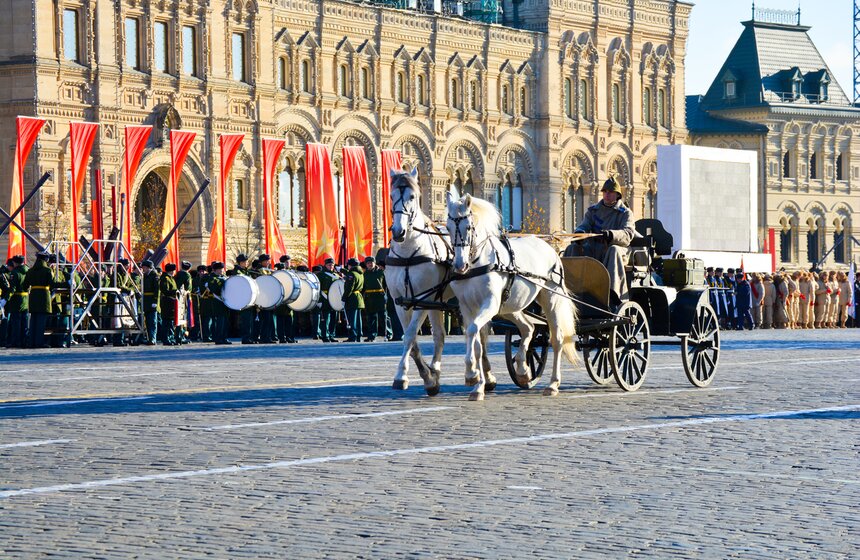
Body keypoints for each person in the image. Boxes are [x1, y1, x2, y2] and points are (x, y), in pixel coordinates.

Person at [564, 177, 634, 304]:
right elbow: (584, 225)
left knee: (614, 250)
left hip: (615, 251)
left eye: (610, 192)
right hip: (593, 249)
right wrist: (579, 234)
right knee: (572, 248)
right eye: (605, 191)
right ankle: (566, 287)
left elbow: (628, 234)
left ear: (617, 195)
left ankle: (612, 293)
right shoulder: (593, 211)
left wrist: (611, 235)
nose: (607, 194)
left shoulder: (625, 213)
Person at [22, 251, 55, 348]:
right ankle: (39, 342)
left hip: (33, 296)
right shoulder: (48, 270)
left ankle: (32, 342)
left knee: (33, 320)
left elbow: (25, 286)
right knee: (41, 321)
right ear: (46, 260)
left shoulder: (30, 271)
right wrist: (67, 283)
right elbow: (52, 285)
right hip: (43, 296)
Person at [205, 261, 231, 344]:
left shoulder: (224, 277)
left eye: (222, 269)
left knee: (225, 321)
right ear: (215, 270)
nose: (221, 271)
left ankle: (224, 337)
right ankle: (218, 338)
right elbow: (215, 289)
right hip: (217, 302)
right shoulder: (212, 278)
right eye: (219, 269)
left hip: (225, 303)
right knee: (219, 322)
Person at [6, 255, 29, 348]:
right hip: (26, 299)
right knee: (24, 322)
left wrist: (6, 299)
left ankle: (16, 342)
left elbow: (12, 289)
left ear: (15, 263)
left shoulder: (14, 273)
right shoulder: (27, 270)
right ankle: (24, 341)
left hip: (16, 300)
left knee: (16, 322)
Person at [362, 256, 386, 342]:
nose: (370, 264)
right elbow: (363, 287)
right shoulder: (364, 274)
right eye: (368, 263)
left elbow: (386, 285)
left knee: (383, 316)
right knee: (371, 318)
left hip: (380, 296)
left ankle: (388, 334)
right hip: (369, 297)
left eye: (371, 262)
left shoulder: (381, 272)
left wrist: (386, 295)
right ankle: (371, 335)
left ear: (374, 263)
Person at [316, 258, 340, 342]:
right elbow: (317, 289)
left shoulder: (336, 275)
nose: (331, 266)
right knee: (325, 319)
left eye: (332, 265)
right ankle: (325, 335)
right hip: (325, 299)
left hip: (334, 299)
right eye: (329, 265)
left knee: (333, 318)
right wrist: (318, 300)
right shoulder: (321, 275)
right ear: (325, 265)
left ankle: (331, 335)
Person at [342, 257, 365, 342]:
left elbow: (349, 288)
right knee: (358, 319)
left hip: (352, 298)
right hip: (358, 297)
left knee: (352, 319)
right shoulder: (360, 273)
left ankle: (353, 336)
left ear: (350, 265)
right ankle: (358, 335)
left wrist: (344, 298)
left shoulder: (351, 274)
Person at [140, 260, 160, 344]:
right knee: (147, 321)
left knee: (153, 321)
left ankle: (153, 338)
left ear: (148, 267)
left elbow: (157, 290)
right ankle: (149, 337)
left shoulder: (154, 275)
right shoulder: (144, 276)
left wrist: (155, 301)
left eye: (144, 267)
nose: (143, 269)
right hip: (146, 301)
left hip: (152, 300)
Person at [159, 263, 179, 345]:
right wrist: (175, 292)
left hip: (172, 302)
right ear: (171, 271)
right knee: (167, 322)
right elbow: (165, 291)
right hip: (167, 302)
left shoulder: (171, 278)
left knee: (170, 322)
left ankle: (171, 337)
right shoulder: (165, 279)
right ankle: (166, 338)